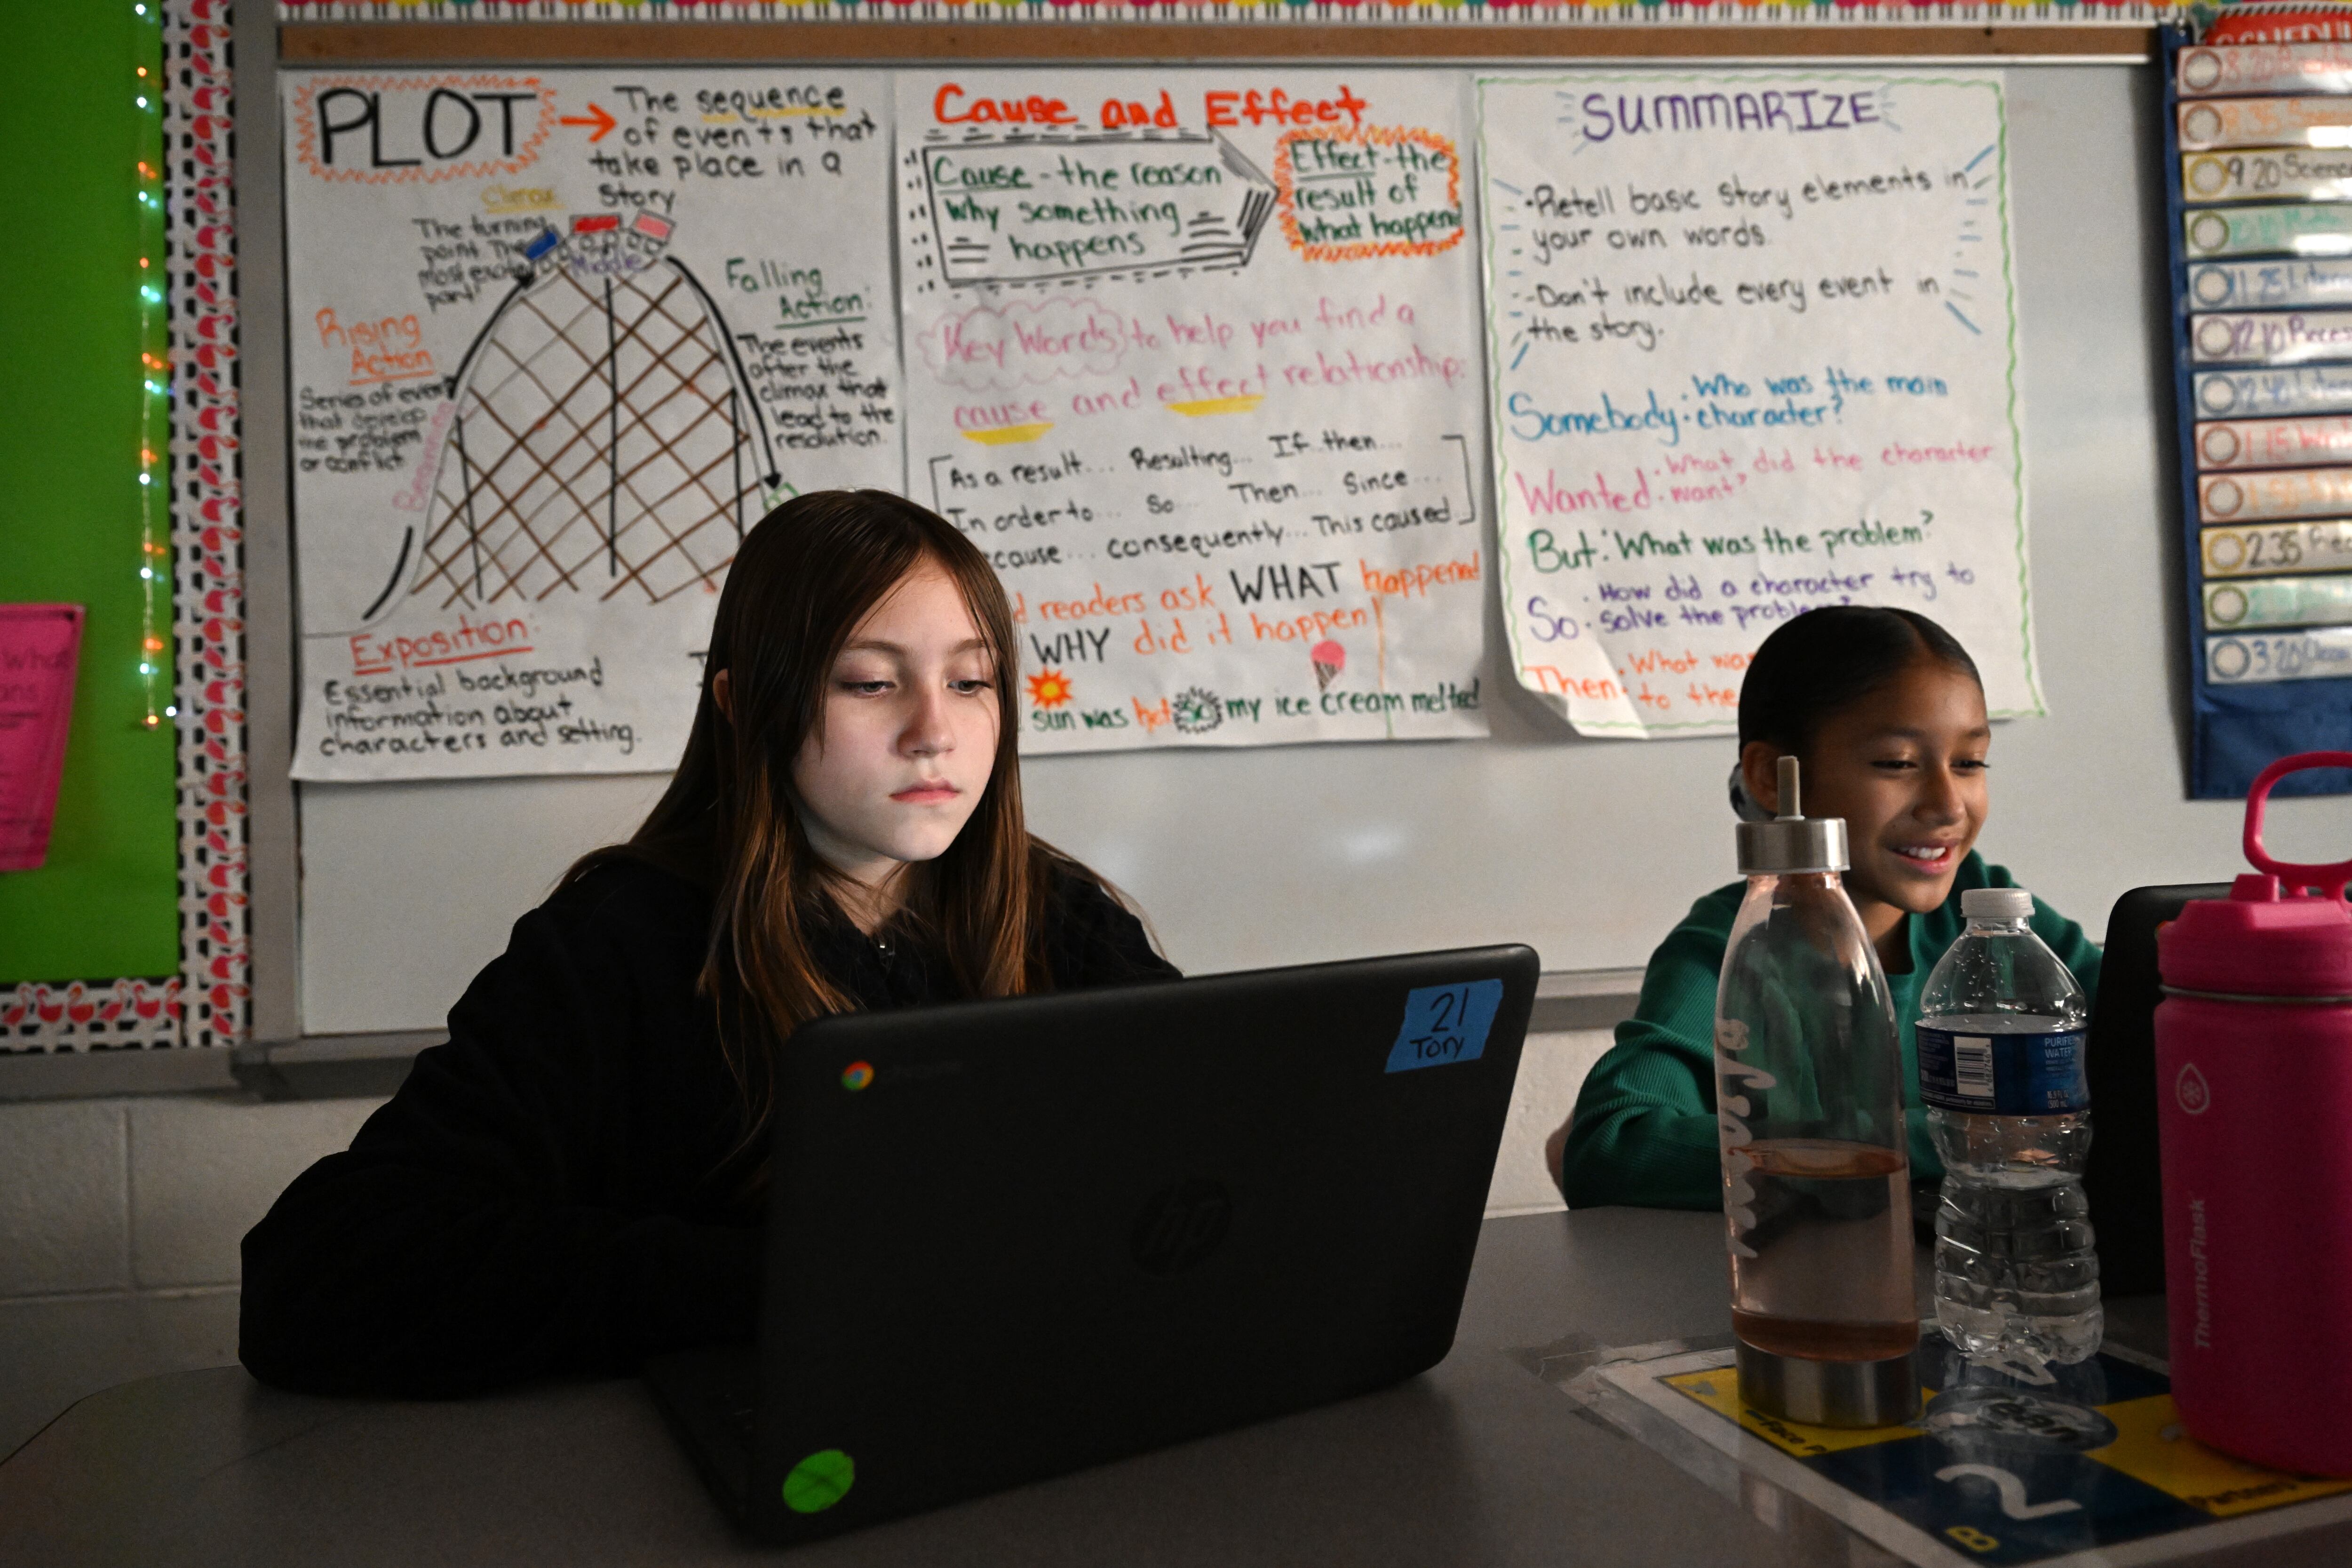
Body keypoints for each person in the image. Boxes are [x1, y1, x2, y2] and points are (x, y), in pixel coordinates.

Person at [241, 491, 1176, 1396]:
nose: (935, 732)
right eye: (870, 683)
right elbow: (319, 1272)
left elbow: (1210, 1170)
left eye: (970, 681)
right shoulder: (618, 945)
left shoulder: (1062, 918)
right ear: (743, 704)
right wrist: (777, 1280)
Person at [1547, 605, 2102, 1210]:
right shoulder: (1731, 947)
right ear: (1769, 777)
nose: (1947, 805)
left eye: (1968, 763)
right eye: (1896, 764)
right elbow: (1608, 1146)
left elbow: (2144, 1041)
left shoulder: (1991, 920)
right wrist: (1954, 1141)